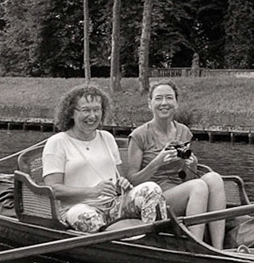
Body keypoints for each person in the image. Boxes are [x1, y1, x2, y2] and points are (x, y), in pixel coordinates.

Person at [40, 85, 166, 233]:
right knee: (86, 216)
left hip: (113, 206)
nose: (92, 116)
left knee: (152, 188)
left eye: (97, 110)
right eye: (86, 110)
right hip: (77, 209)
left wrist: (122, 184)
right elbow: (52, 189)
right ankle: (115, 241)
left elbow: (119, 181)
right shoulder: (57, 142)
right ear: (71, 113)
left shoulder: (107, 138)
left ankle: (153, 235)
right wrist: (91, 191)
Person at [122, 80, 229, 247]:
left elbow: (186, 178)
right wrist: (157, 162)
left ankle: (218, 248)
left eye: (169, 98)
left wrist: (191, 166)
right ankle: (196, 247)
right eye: (158, 98)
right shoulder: (139, 135)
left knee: (214, 178)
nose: (164, 103)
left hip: (180, 191)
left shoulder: (183, 132)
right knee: (198, 186)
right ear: (150, 104)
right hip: (152, 198)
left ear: (176, 103)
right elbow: (132, 180)